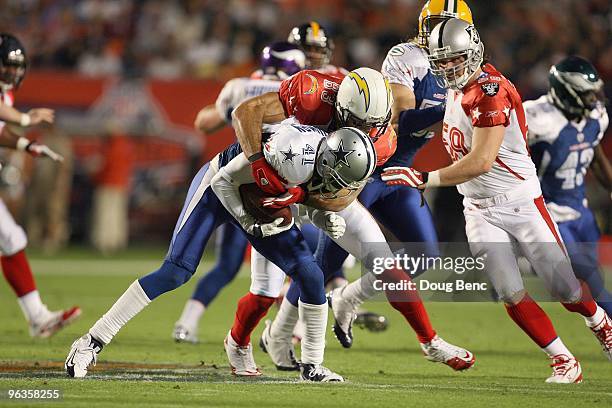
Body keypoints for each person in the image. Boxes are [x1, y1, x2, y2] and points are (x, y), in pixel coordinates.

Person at [381, 18, 612, 383]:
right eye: (440, 61)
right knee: (509, 291)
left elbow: (481, 160)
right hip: (477, 207)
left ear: (472, 53)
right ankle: (563, 359)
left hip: (518, 200)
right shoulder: (456, 88)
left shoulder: (489, 90)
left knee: (564, 288)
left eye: (453, 60)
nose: (446, 68)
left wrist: (426, 178)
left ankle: (600, 322)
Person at [64, 121, 377, 382]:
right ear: (327, 159)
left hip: (261, 204)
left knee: (310, 274)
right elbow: (224, 181)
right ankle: (91, 341)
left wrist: (325, 218)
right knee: (175, 271)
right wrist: (248, 221)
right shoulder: (291, 151)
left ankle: (311, 366)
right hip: (219, 186)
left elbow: (303, 201)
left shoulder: (329, 161)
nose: (339, 186)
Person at [231, 65, 475, 372]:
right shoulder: (314, 95)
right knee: (268, 289)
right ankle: (256, 340)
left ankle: (429, 340)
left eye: (374, 123)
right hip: (281, 185)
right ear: (341, 108)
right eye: (360, 123)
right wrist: (258, 164)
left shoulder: (383, 140)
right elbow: (247, 111)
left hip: (329, 194)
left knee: (383, 266)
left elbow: (346, 193)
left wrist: (312, 201)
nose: (367, 130)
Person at [316, 0, 474, 353]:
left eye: (447, 26)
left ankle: (348, 296)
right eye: (435, 24)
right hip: (368, 168)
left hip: (401, 172)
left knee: (424, 254)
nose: (440, 34)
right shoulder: (408, 55)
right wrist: (450, 105)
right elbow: (401, 109)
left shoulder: (461, 70)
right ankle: (287, 333)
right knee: (324, 263)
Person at [173, 42, 306, 344]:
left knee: (227, 266)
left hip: (234, 180)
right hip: (270, 187)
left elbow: (203, 124)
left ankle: (186, 323)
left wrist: (228, 108)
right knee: (296, 260)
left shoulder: (239, 85)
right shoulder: (292, 90)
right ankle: (293, 330)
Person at [0, 33, 80, 337]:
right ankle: (37, 317)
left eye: (16, 67)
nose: (13, 73)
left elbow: (2, 129)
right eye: (6, 66)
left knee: (11, 238)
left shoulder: (5, 97)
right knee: (11, 237)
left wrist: (28, 146)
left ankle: (37, 317)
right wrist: (25, 118)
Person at [526, 56, 612, 317]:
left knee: (585, 281)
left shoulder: (596, 116)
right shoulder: (536, 117)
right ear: (568, 92)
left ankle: (531, 263)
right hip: (550, 214)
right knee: (591, 280)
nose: (594, 100)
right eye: (587, 94)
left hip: (582, 213)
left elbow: (594, 151)